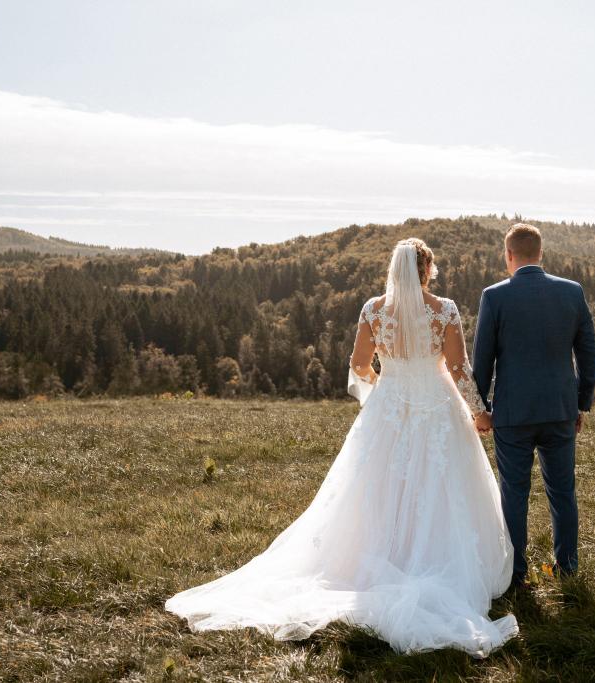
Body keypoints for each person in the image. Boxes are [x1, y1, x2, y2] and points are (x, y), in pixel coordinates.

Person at [164, 238, 518, 657]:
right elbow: (458, 367)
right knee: (439, 484)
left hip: (389, 405)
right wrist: (479, 411)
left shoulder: (373, 309)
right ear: (427, 270)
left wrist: (385, 385)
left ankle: (376, 559)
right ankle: (429, 560)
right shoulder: (444, 310)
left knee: (379, 484)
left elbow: (358, 365)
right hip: (436, 406)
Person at [471, 223, 595, 589]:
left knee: (514, 492)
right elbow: (588, 354)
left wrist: (480, 409)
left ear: (508, 255)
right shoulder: (572, 292)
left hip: (512, 412)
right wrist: (580, 403)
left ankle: (515, 574)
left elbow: (482, 361)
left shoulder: (494, 297)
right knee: (563, 491)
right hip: (560, 408)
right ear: (540, 253)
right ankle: (568, 568)